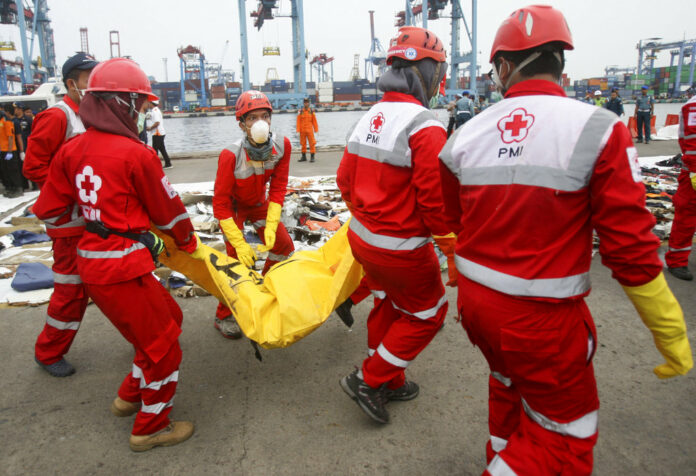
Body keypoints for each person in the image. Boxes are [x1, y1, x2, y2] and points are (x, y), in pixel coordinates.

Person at [438, 5, 692, 474]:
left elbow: (456, 220)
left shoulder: (462, 137)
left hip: (477, 309)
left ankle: (499, 452)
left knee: (506, 383)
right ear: (560, 63)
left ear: (503, 67)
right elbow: (629, 249)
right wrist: (669, 329)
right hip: (542, 323)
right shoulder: (599, 128)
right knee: (564, 438)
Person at [32, 57, 213, 451]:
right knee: (165, 348)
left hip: (93, 265)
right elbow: (170, 214)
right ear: (123, 103)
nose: (143, 113)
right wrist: (190, 246)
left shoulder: (71, 150)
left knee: (171, 316)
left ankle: (130, 395)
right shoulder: (137, 155)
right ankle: (150, 427)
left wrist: (96, 218)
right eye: (141, 105)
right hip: (124, 268)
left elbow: (48, 208)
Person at [337, 25, 452, 424]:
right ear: (427, 72)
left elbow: (344, 182)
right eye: (440, 71)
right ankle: (370, 379)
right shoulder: (426, 126)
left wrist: (368, 216)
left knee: (387, 302)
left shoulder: (368, 117)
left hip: (362, 239)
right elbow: (436, 203)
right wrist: (454, 252)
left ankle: (391, 376)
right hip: (402, 248)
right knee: (428, 313)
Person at [23, 52, 98, 377]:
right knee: (71, 288)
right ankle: (49, 351)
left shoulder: (91, 115)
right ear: (72, 83)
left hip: (92, 218)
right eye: (87, 78)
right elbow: (33, 165)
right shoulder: (59, 117)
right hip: (69, 222)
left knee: (109, 281)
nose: (94, 84)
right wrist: (73, 189)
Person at [212, 90, 294, 339]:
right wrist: (239, 242)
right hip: (233, 208)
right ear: (242, 124)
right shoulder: (231, 155)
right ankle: (224, 314)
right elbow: (220, 204)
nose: (260, 122)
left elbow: (279, 187)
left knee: (283, 247)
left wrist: (271, 224)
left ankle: (262, 290)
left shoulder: (282, 146)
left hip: (259, 202)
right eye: (252, 118)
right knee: (235, 261)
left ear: (271, 119)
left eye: (264, 116)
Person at [665, 90, 696, 280]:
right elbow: (693, 142)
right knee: (687, 216)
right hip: (693, 173)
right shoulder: (693, 106)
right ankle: (677, 261)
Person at [0, 106, 23, 198]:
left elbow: (10, 137)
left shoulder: (7, 122)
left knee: (13, 171)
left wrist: (9, 151)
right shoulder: (1, 122)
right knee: (6, 171)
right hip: (3, 150)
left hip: (10, 150)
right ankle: (12, 188)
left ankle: (18, 188)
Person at [147, 99, 171, 169]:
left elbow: (157, 122)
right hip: (160, 132)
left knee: (155, 150)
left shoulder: (155, 111)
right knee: (162, 149)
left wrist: (150, 128)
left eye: (149, 103)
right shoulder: (156, 110)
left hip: (157, 133)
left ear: (152, 103)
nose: (148, 104)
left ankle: (155, 166)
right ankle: (168, 163)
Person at [296, 97, 318, 162]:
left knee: (312, 143)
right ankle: (303, 157)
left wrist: (316, 130)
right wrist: (298, 130)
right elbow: (298, 121)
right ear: (303, 103)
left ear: (309, 103)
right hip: (302, 131)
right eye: (305, 102)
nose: (306, 104)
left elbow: (314, 121)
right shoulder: (300, 112)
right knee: (303, 143)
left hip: (310, 130)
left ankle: (312, 157)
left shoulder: (311, 112)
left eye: (307, 102)